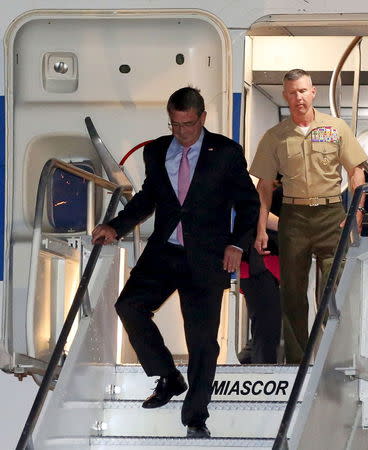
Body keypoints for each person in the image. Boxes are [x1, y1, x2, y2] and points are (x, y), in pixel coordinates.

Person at [92, 87, 260, 438]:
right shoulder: (156, 151)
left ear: (202, 118)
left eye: (187, 124)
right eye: (174, 124)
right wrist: (115, 227)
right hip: (165, 249)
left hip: (208, 255)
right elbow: (147, 198)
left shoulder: (226, 152)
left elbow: (248, 204)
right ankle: (168, 375)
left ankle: (196, 416)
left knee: (201, 340)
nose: (181, 132)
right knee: (129, 305)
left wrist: (237, 245)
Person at [250, 69, 368, 364]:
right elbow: (264, 185)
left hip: (331, 215)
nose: (298, 98)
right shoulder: (275, 136)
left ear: (313, 92)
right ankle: (297, 363)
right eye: (292, 93)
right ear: (285, 96)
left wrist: (356, 211)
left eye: (302, 91)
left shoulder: (336, 127)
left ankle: (334, 363)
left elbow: (356, 171)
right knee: (292, 296)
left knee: (332, 293)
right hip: (294, 217)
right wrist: (262, 226)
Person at [238, 181, 282, 364]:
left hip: (261, 264)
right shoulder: (270, 193)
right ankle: (261, 372)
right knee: (266, 328)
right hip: (260, 264)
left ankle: (249, 363)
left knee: (264, 327)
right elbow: (256, 211)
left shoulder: (272, 191)